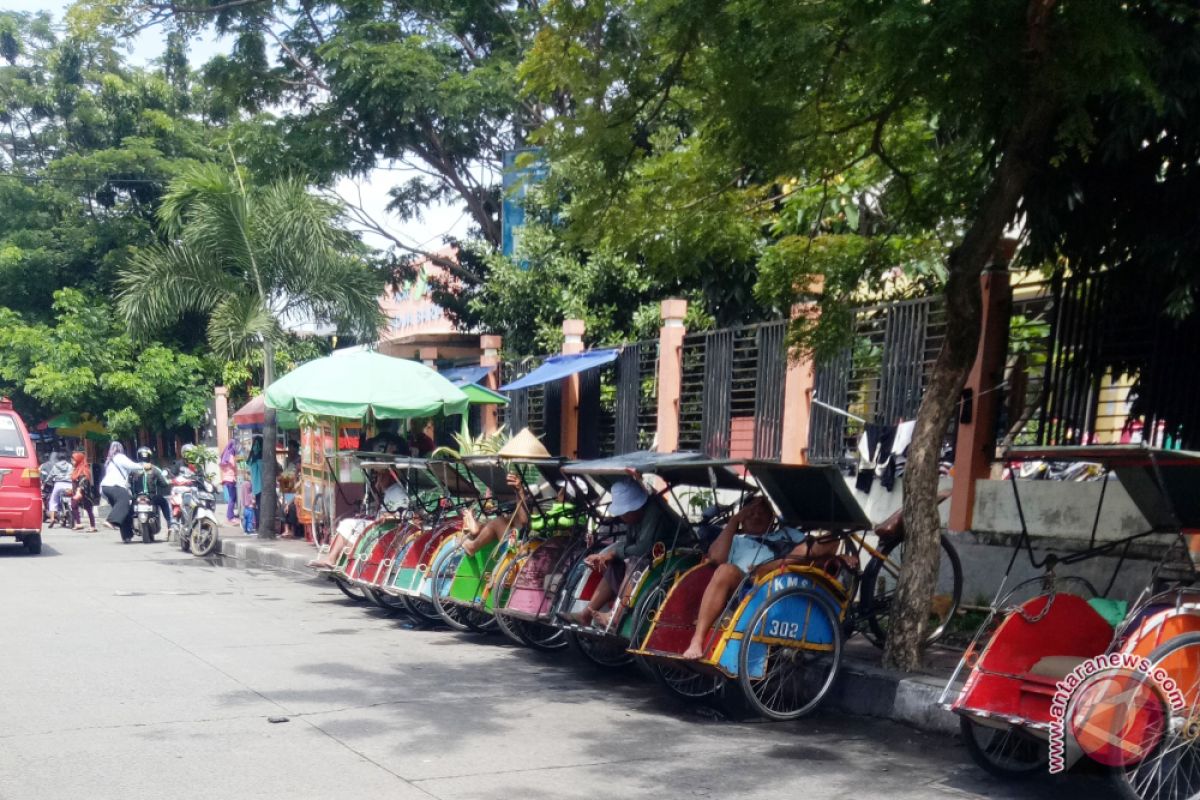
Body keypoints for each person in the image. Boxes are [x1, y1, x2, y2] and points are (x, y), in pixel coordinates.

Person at [680, 496, 838, 660]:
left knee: (826, 540)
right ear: (743, 518)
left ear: (772, 517)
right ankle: (697, 641)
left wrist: (838, 557)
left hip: (781, 584)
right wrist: (734, 521)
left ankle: (771, 566)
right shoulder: (735, 540)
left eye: (762, 512)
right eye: (751, 512)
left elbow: (822, 546)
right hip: (745, 586)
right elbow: (715, 558)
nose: (756, 516)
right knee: (724, 570)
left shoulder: (787, 534)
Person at [564, 478, 671, 628]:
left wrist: (614, 553)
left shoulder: (654, 512)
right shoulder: (634, 518)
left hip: (667, 557)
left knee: (633, 563)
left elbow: (643, 548)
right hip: (649, 557)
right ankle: (585, 615)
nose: (622, 517)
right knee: (615, 565)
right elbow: (628, 545)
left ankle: (616, 616)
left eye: (625, 512)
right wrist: (607, 557)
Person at [100, 442, 139, 539]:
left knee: (124, 510)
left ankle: (127, 536)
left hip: (106, 488)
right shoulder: (119, 457)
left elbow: (128, 471)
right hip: (114, 486)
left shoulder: (110, 461)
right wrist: (143, 465)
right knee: (124, 500)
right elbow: (132, 465)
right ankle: (110, 521)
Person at [129, 446, 172, 528]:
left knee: (129, 512)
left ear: (138, 456)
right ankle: (169, 524)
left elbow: (128, 482)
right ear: (149, 456)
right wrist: (169, 481)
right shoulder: (155, 469)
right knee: (164, 503)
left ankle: (128, 532)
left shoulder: (132, 469)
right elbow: (164, 483)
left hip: (136, 497)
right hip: (151, 497)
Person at [69, 450, 97, 531]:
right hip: (78, 492)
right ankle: (79, 524)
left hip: (84, 493)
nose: (72, 461)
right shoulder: (76, 469)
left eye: (74, 460)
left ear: (79, 460)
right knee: (74, 505)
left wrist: (78, 491)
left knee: (88, 508)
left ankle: (92, 526)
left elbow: (83, 481)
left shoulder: (83, 470)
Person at [279, 440, 302, 539]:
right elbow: (285, 475)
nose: (290, 451)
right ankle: (286, 529)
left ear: (296, 449)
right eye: (289, 448)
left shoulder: (299, 460)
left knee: (291, 507)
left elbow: (298, 476)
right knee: (283, 506)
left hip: (296, 488)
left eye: (292, 448)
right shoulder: (288, 460)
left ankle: (291, 530)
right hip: (287, 486)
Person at [45, 452, 74, 528]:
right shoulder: (70, 466)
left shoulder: (56, 466)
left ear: (57, 458)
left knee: (53, 501)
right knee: (71, 500)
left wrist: (46, 481)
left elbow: (51, 475)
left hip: (58, 484)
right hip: (69, 484)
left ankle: (52, 519)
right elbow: (73, 474)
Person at [219, 440, 240, 523]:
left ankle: (230, 515)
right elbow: (234, 466)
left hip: (226, 479)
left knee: (232, 498)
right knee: (232, 498)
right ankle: (230, 517)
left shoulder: (225, 455)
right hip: (231, 479)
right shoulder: (231, 455)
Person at [247, 435, 263, 529]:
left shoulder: (252, 457)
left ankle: (257, 525)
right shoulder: (260, 458)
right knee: (260, 507)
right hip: (262, 486)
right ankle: (259, 525)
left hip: (256, 486)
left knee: (257, 506)